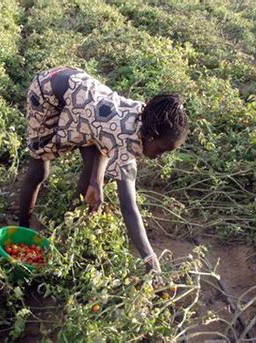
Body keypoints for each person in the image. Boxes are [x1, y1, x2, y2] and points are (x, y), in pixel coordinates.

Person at [18, 66, 189, 274]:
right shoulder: (126, 137)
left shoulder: (143, 116)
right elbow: (129, 207)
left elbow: (104, 138)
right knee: (39, 169)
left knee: (92, 172)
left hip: (79, 93)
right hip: (48, 90)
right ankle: (23, 227)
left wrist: (96, 182)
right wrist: (150, 259)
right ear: (151, 135)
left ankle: (70, 226)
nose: (159, 156)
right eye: (161, 149)